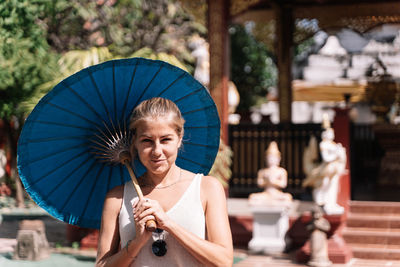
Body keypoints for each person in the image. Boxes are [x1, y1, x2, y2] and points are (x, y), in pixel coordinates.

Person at [96, 97, 233, 267]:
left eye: (166, 139)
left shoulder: (207, 188)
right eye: (147, 141)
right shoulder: (117, 198)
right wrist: (137, 242)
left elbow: (224, 261)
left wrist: (169, 224)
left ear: (179, 137)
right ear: (135, 142)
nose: (157, 151)